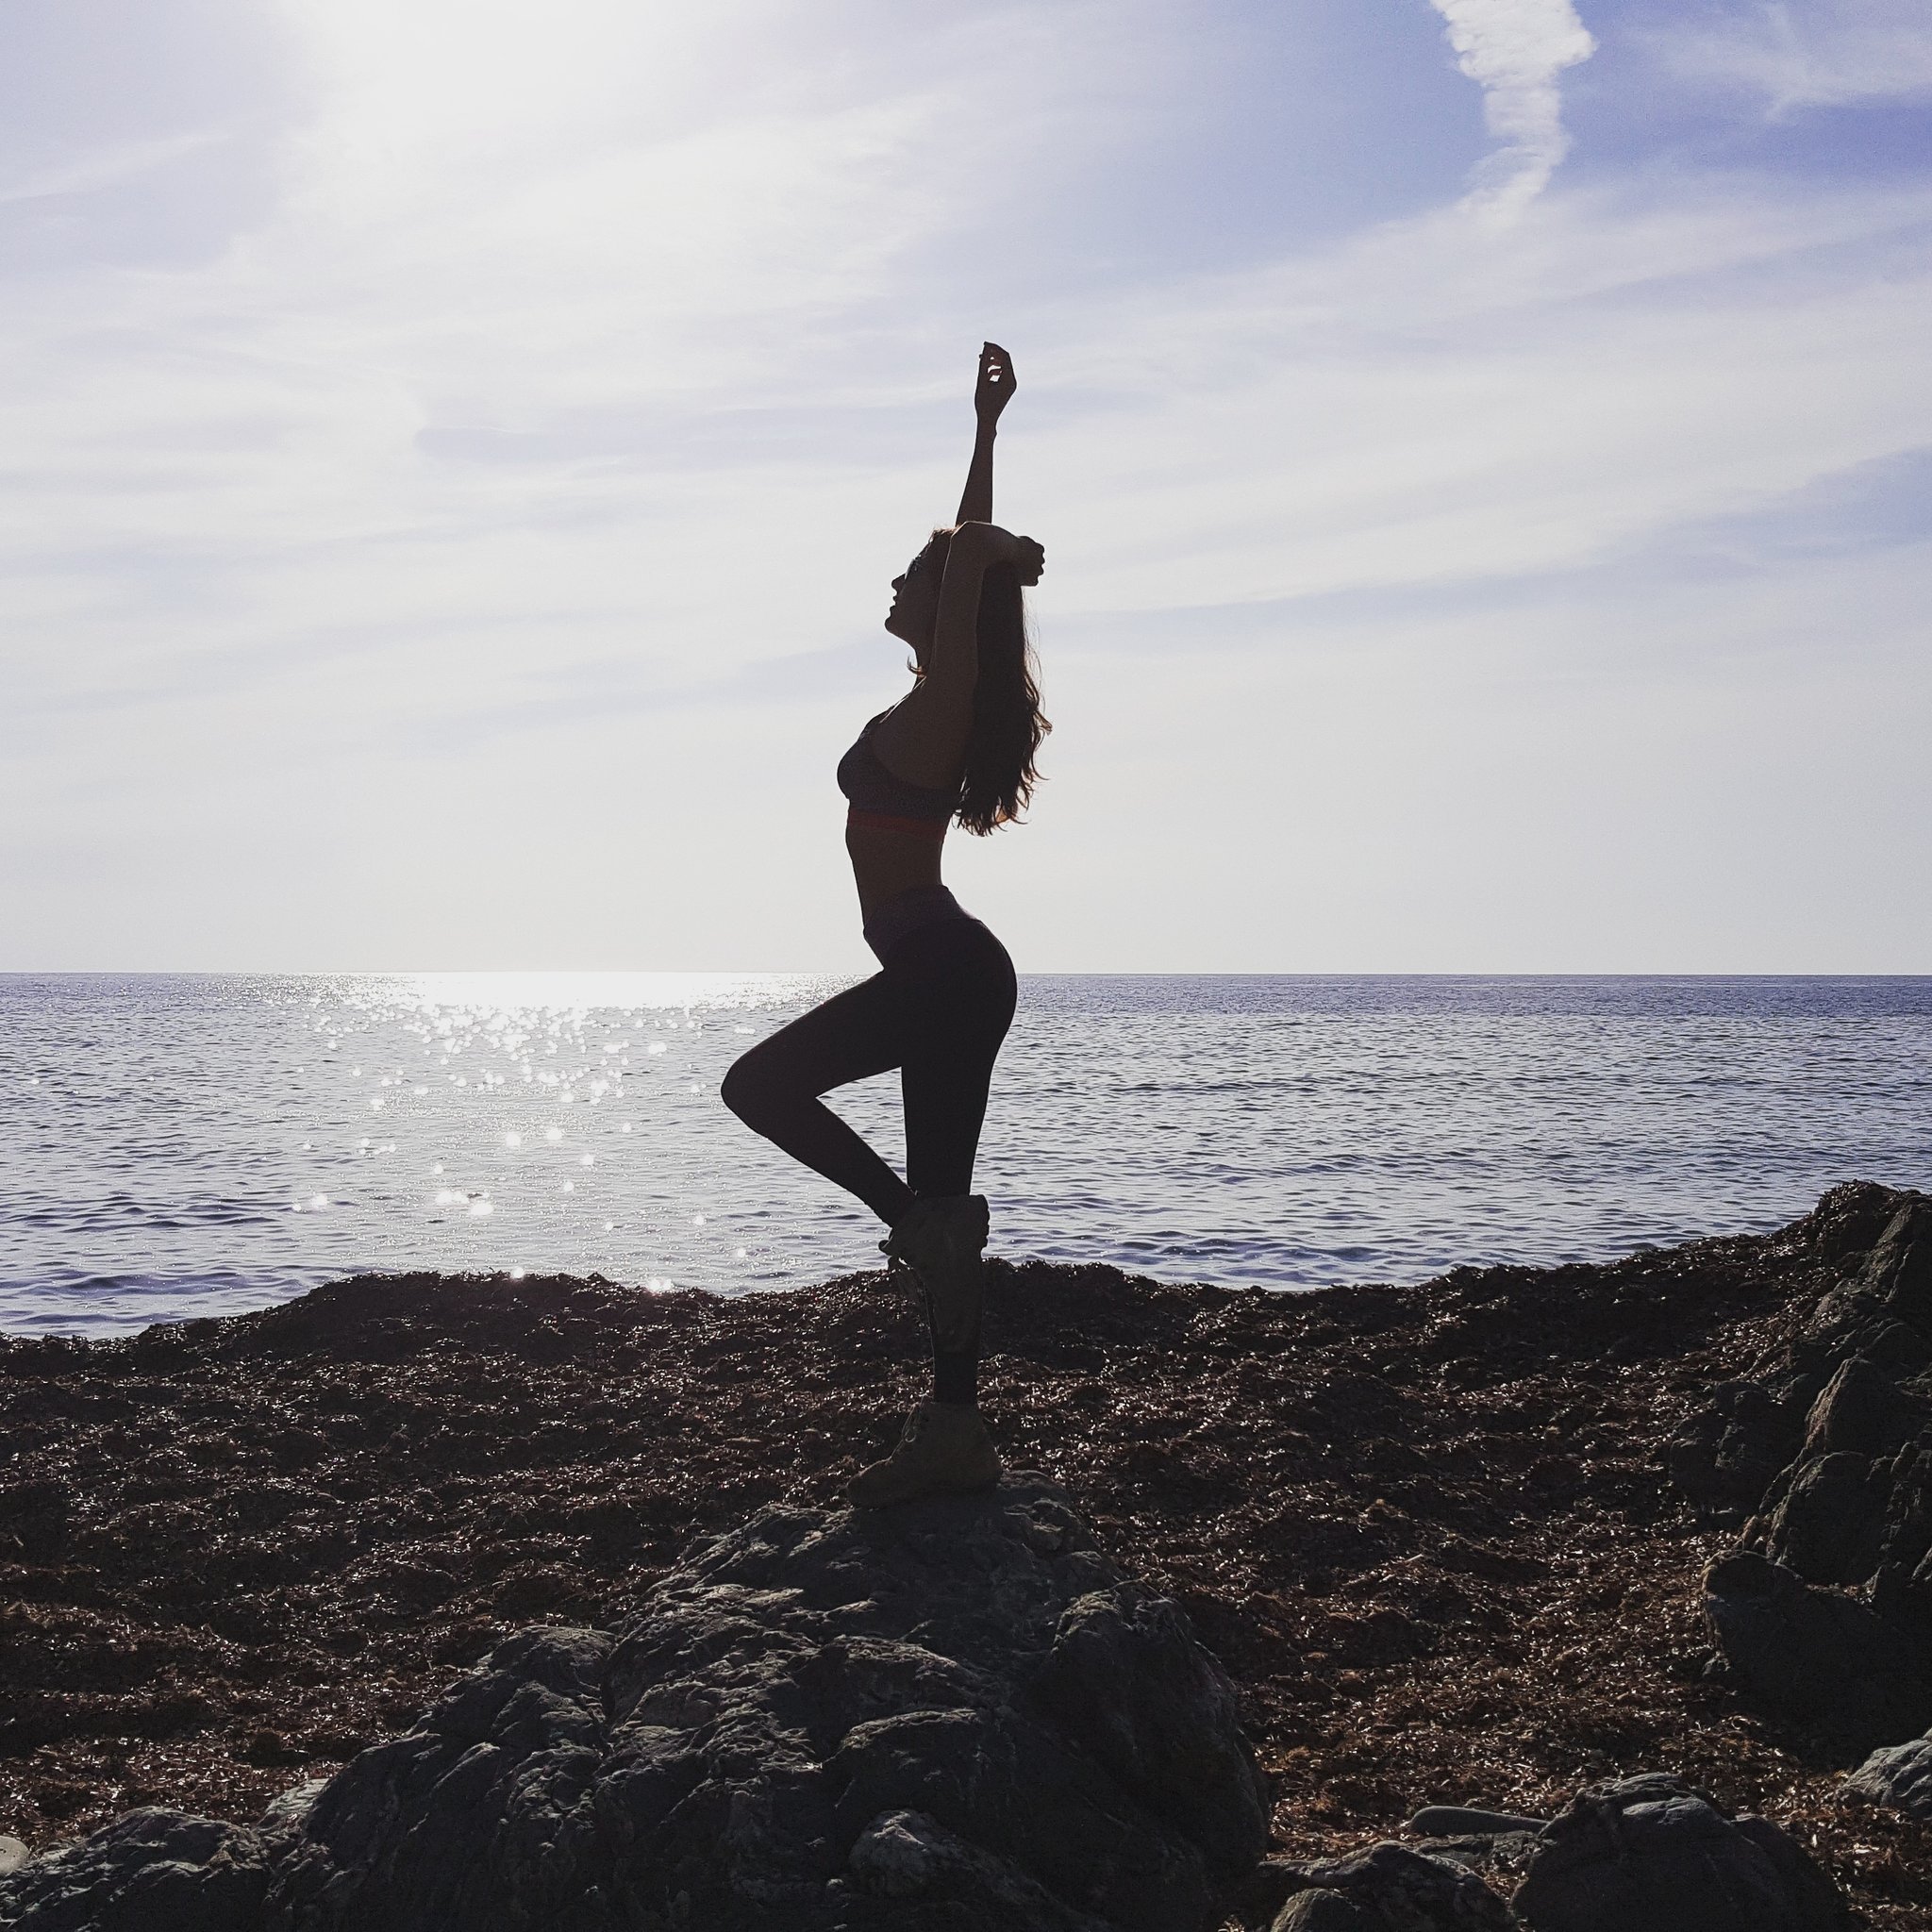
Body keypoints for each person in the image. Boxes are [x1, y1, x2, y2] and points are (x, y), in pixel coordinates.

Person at [722, 341, 1047, 1507]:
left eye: (909, 582)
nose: (892, 592)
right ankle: (954, 1428)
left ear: (944, 608)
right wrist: (983, 442)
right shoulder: (931, 696)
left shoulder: (944, 697)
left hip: (939, 961)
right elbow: (965, 566)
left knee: (755, 1086)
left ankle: (906, 1222)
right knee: (952, 1205)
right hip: (948, 964)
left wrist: (987, 508)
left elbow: (965, 567)